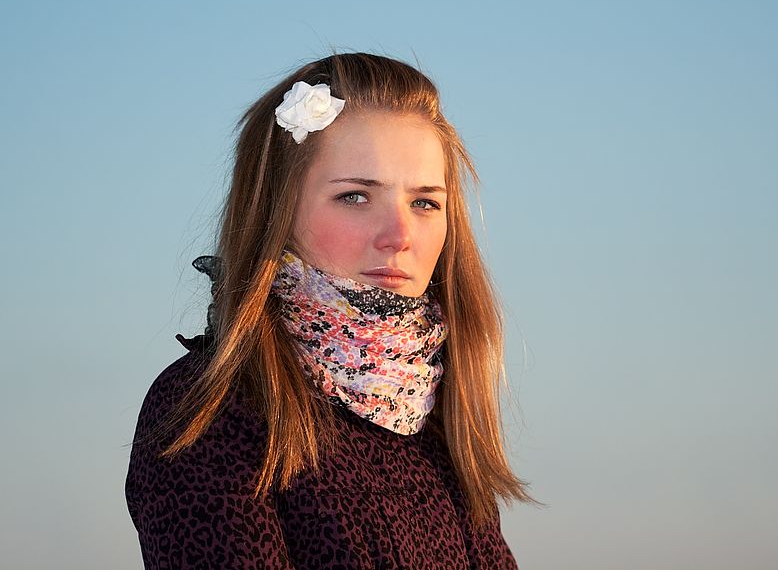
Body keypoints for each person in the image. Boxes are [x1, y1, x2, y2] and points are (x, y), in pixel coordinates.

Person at [125, 51, 540, 569]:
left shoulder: (431, 417)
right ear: (277, 209)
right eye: (355, 197)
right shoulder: (210, 408)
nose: (400, 236)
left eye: (425, 202)